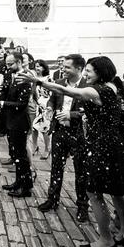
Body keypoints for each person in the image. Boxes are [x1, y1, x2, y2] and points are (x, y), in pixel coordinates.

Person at [17, 56, 124, 247]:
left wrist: (37, 81)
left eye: (89, 71)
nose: (86, 74)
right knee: (118, 190)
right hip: (115, 144)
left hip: (100, 146)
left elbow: (67, 91)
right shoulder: (113, 85)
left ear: (100, 72)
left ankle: (106, 240)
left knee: (94, 193)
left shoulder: (96, 91)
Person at [37, 54, 89, 223]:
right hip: (59, 131)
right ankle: (52, 199)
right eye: (63, 66)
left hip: (78, 133)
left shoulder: (87, 86)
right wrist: (50, 108)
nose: (63, 69)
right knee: (56, 167)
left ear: (79, 68)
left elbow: (89, 112)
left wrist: (71, 114)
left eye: (67, 67)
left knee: (81, 171)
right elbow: (52, 100)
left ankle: (82, 206)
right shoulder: (59, 83)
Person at [0, 51, 34, 198]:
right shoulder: (9, 74)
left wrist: (3, 103)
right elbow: (5, 91)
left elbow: (22, 104)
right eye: (7, 64)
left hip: (20, 122)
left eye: (11, 64)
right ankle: (18, 182)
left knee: (21, 156)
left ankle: (26, 187)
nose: (8, 67)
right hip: (10, 120)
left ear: (19, 62)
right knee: (16, 154)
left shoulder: (25, 78)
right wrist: (0, 100)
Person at [31, 59, 53, 159]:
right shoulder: (34, 79)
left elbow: (52, 94)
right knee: (34, 127)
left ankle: (47, 149)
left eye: (39, 66)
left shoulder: (48, 79)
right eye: (36, 66)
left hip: (46, 106)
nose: (37, 68)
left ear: (44, 68)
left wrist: (49, 106)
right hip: (37, 106)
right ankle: (34, 146)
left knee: (44, 129)